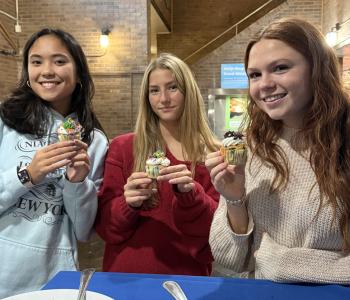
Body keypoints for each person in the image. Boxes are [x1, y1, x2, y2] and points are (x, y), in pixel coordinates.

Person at [205, 17, 350, 284]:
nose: (264, 85)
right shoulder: (250, 147)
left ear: (317, 68)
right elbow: (231, 260)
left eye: (281, 68)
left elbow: (265, 263)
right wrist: (234, 199)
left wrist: (279, 262)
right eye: (255, 75)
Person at [0, 28, 108, 297]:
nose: (47, 71)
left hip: (54, 277)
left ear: (79, 73)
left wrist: (77, 183)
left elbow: (84, 231)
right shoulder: (6, 122)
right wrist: (28, 174)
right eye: (36, 62)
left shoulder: (93, 141)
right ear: (27, 72)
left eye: (59, 61)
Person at [95, 53, 219, 276]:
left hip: (188, 281)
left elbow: (216, 238)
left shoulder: (213, 155)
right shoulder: (123, 148)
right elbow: (107, 229)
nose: (163, 99)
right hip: (125, 281)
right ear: (147, 97)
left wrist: (192, 197)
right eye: (154, 90)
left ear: (188, 92)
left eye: (172, 87)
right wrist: (128, 204)